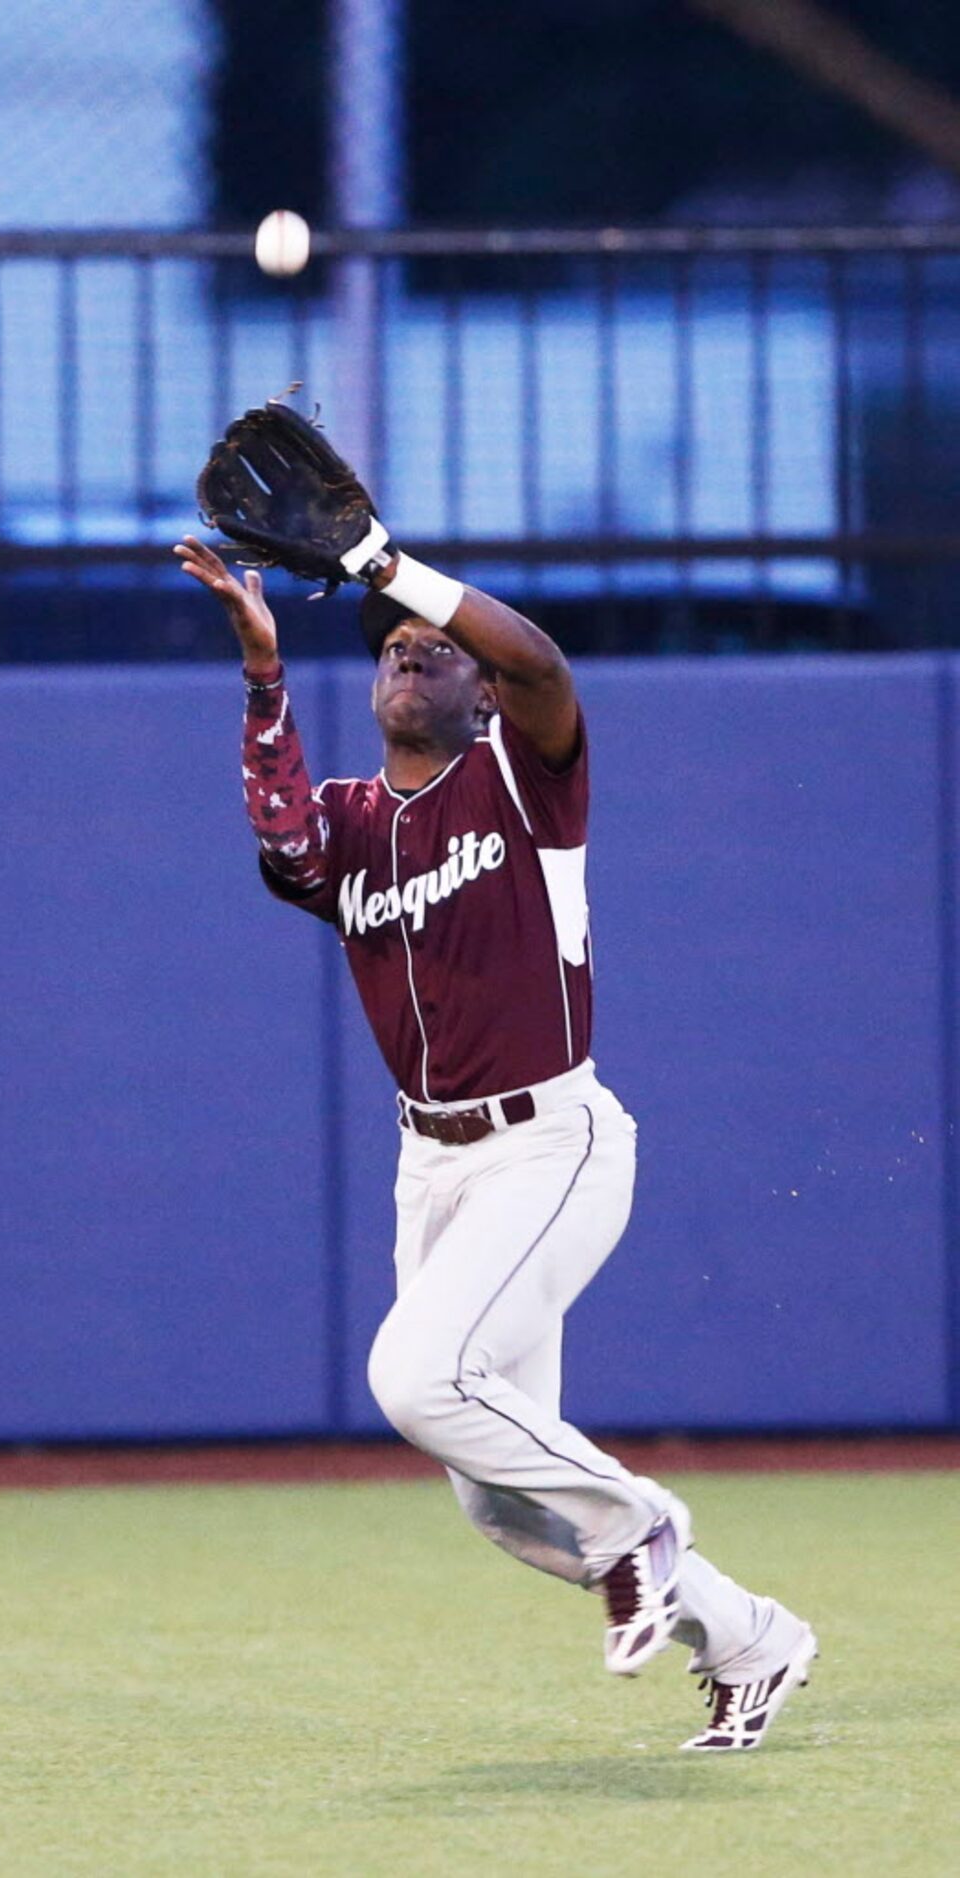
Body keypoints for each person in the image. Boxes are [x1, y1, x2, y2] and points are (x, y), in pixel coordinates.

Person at [174, 528, 817, 1753]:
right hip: (437, 1169)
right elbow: (282, 844)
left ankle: (639, 1527)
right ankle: (748, 1637)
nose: (411, 659)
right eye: (393, 653)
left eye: (436, 652)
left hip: (551, 1144)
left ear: (479, 693)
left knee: (415, 1380)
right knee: (503, 1505)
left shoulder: (525, 779)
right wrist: (263, 675)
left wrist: (382, 564)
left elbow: (542, 670)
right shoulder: (351, 822)